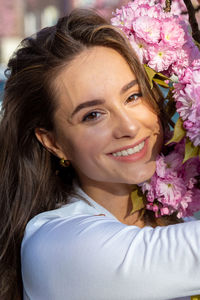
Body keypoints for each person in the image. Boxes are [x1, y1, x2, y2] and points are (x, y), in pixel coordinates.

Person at [0, 8, 200, 300]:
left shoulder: (181, 211)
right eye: (93, 115)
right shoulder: (57, 245)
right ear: (52, 141)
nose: (130, 126)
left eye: (133, 96)